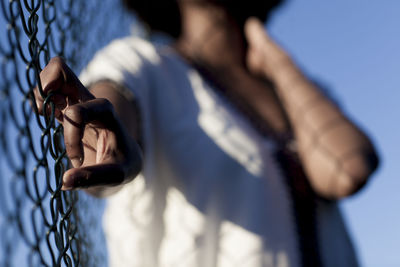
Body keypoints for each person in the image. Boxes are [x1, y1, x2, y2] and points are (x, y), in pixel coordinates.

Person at [34, 0, 379, 266]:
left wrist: (275, 59)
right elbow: (114, 100)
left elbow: (348, 168)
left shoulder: (298, 90)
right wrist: (108, 137)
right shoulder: (145, 64)